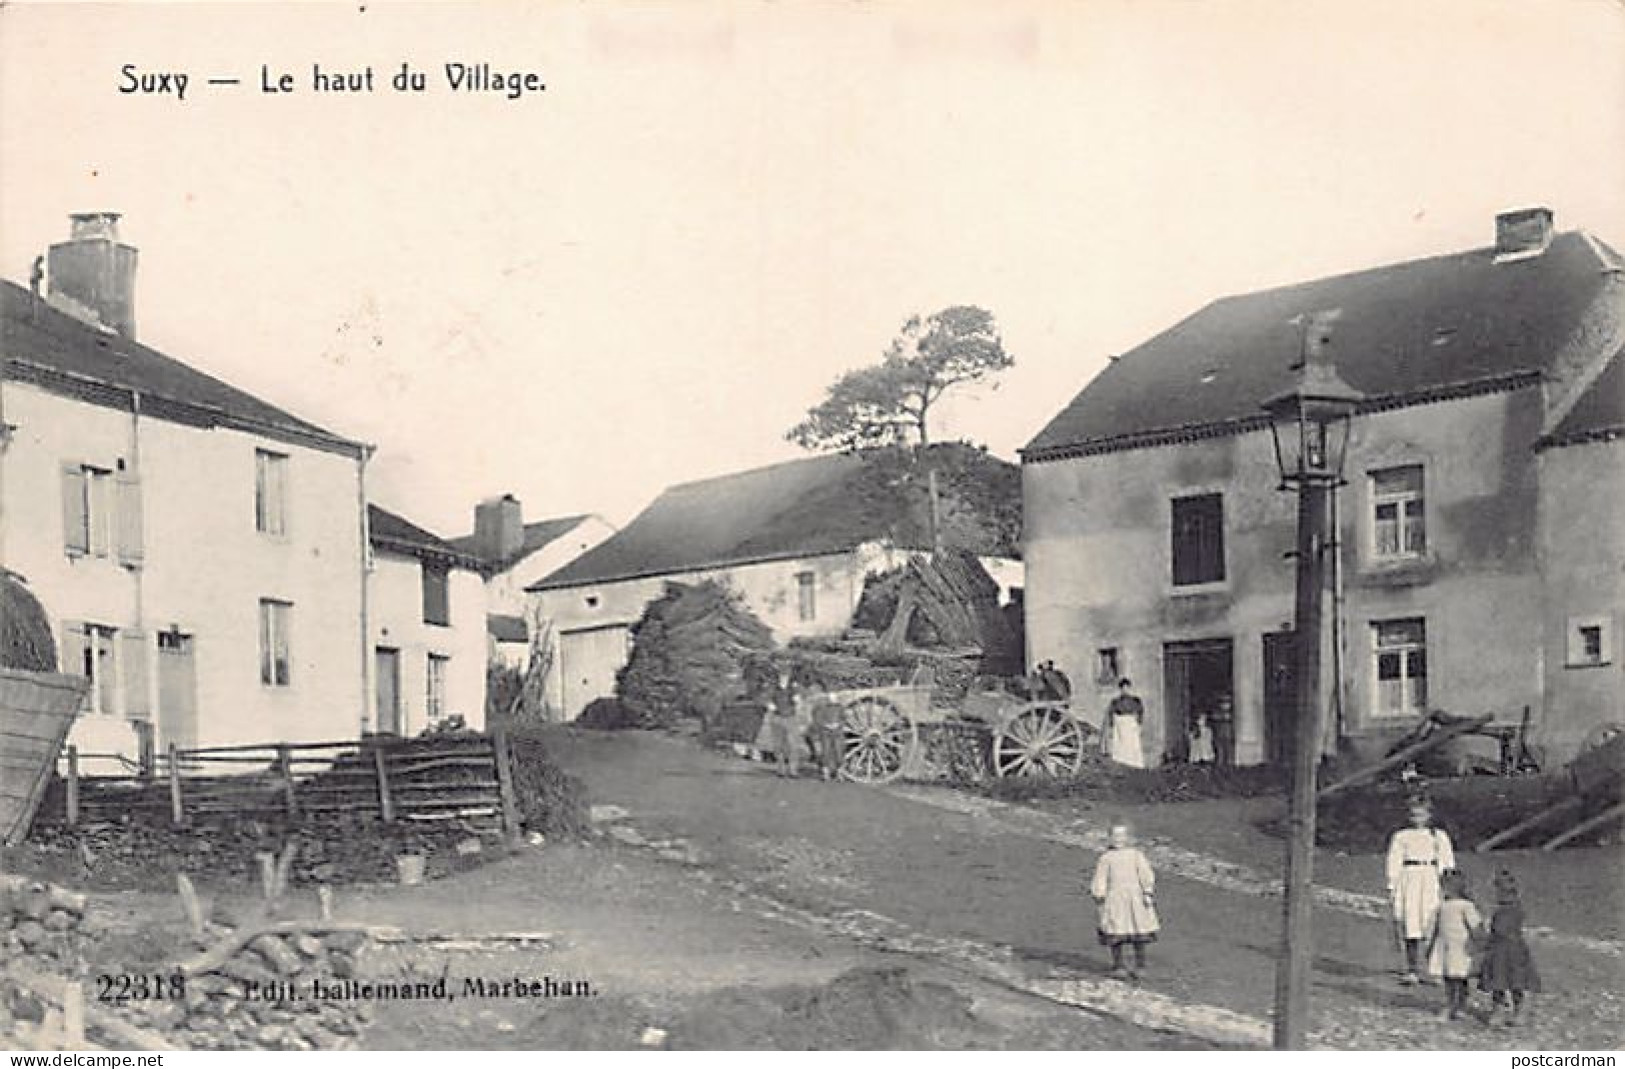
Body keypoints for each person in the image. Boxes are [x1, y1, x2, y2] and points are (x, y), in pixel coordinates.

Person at [1385, 800, 1456, 984]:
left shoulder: (1438, 836)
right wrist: (1393, 885)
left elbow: (1447, 861)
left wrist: (1446, 884)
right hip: (1409, 879)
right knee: (1411, 923)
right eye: (1413, 815)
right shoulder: (1402, 836)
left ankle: (1435, 970)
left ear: (1429, 816)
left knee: (1431, 923)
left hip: (1430, 878)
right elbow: (1394, 861)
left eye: (1421, 815)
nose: (1417, 819)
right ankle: (1412, 969)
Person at [1090, 823, 1159, 980]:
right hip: (1115, 899)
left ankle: (1140, 965)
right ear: (1109, 838)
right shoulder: (1106, 858)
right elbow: (1100, 877)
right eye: (1114, 836)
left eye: (1121, 836)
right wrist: (1099, 893)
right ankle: (1118, 965)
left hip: (1135, 898)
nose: (1118, 839)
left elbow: (1146, 874)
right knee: (1115, 930)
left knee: (1138, 931)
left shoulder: (1136, 856)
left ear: (1128, 838)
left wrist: (1147, 892)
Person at [1479, 869, 1540, 1027]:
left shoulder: (1513, 910)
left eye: (1504, 892)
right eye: (1499, 891)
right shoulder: (1502, 910)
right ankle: (1499, 1010)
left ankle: (1519, 1010)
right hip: (1501, 950)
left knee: (1515, 982)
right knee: (1498, 983)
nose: (1500, 895)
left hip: (1511, 949)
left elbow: (1501, 929)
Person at [1428, 870, 1483, 1020]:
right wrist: (1431, 944)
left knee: (1459, 977)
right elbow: (1435, 927)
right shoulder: (1442, 906)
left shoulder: (1466, 906)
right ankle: (1452, 1003)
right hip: (1445, 945)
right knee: (1449, 977)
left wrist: (1479, 943)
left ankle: (1459, 1005)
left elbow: (1476, 926)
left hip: (1460, 946)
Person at [764, 665, 805, 778]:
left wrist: (798, 708)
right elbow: (767, 699)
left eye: (786, 676)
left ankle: (793, 770)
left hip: (790, 718)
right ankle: (780, 769)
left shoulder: (793, 688)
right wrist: (769, 704)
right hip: (777, 718)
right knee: (778, 745)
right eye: (782, 676)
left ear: (789, 677)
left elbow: (798, 702)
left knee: (793, 745)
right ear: (779, 677)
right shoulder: (773, 688)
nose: (784, 678)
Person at [1104, 678, 1146, 769]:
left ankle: (1134, 763)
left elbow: (1140, 711)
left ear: (1129, 688)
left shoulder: (1135, 700)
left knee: (1132, 744)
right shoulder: (1115, 701)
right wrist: (1111, 726)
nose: (1125, 690)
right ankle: (1121, 761)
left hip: (1130, 723)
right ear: (1120, 689)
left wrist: (1140, 724)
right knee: (1121, 744)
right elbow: (1111, 713)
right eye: (1123, 688)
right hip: (1120, 724)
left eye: (1127, 688)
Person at [808, 695, 845, 782]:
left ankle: (839, 773)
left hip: (837, 733)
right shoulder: (823, 708)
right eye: (831, 698)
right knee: (825, 752)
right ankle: (825, 773)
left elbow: (844, 718)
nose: (833, 699)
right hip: (826, 733)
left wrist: (838, 724)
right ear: (828, 699)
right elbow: (819, 719)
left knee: (839, 752)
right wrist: (826, 725)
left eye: (834, 697)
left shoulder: (840, 708)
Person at [1209, 694, 1236, 768]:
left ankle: (1229, 764)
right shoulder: (1217, 712)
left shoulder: (1233, 713)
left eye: (1227, 703)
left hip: (1228, 735)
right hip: (1219, 734)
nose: (1225, 705)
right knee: (1220, 751)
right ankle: (1220, 765)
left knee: (1229, 750)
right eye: (1223, 703)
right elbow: (1214, 718)